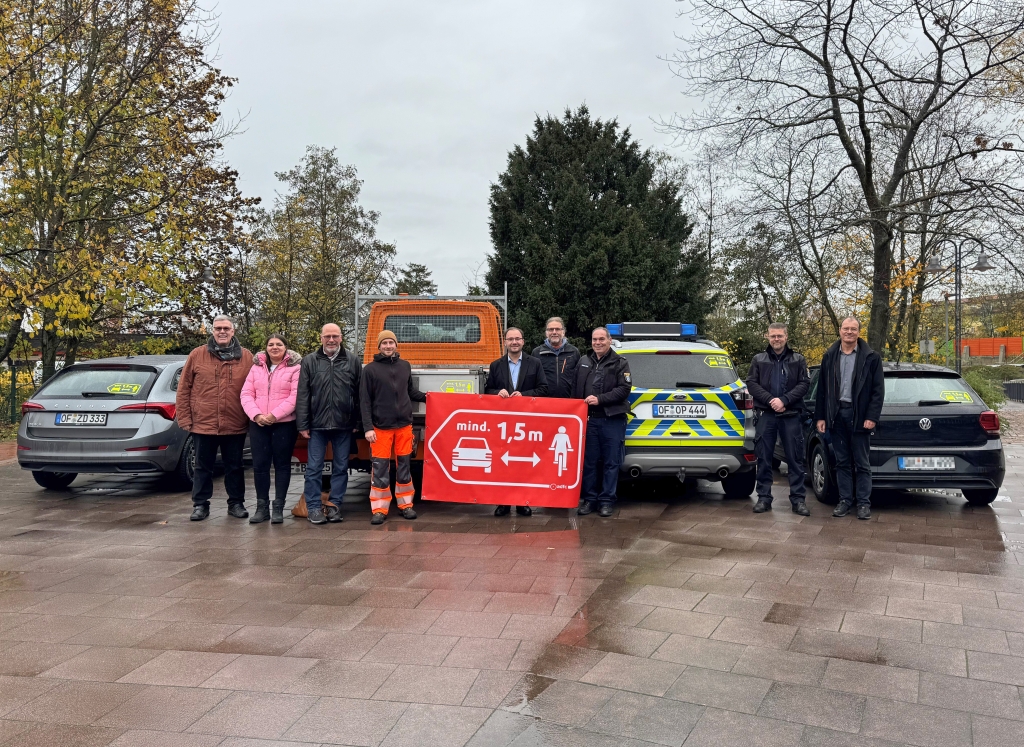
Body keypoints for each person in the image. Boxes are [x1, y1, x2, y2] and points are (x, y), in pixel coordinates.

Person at [176, 315, 254, 522]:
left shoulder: (246, 357)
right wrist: (184, 418)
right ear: (212, 330)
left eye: (226, 328)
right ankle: (200, 505)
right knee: (202, 467)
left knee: (235, 466)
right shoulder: (197, 355)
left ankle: (236, 503)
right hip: (204, 423)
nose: (222, 332)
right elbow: (184, 389)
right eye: (218, 328)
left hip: (235, 422)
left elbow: (256, 387)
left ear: (233, 331)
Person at [814, 316, 885, 520]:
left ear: (859, 332)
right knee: (842, 462)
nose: (849, 332)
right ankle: (845, 501)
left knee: (862, 463)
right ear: (840, 330)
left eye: (853, 329)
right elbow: (822, 390)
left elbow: (878, 391)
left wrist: (872, 416)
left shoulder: (871, 357)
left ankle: (863, 504)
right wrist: (821, 416)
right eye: (846, 328)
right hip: (836, 416)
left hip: (859, 417)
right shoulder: (829, 356)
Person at [295, 323, 362, 525]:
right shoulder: (309, 361)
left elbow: (359, 394)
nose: (331, 340)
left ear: (341, 338)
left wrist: (357, 421)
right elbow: (303, 394)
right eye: (327, 336)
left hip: (344, 424)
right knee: (314, 468)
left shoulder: (352, 360)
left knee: (341, 468)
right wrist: (302, 424)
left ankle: (334, 506)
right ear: (321, 338)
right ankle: (314, 508)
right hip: (317, 425)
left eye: (335, 336)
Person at [360, 330, 427, 525]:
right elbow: (364, 401)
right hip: (380, 428)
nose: (388, 346)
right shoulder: (370, 370)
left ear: (396, 345)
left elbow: (410, 391)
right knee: (380, 468)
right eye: (384, 343)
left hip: (404, 426)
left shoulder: (405, 366)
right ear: (379, 346)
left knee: (404, 466)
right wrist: (368, 428)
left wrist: (430, 398)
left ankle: (406, 505)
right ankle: (379, 509)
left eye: (391, 343)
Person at [746, 323, 811, 515]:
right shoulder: (759, 359)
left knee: (795, 459)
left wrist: (784, 400)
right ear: (767, 336)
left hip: (791, 415)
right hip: (766, 415)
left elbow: (804, 384)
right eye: (773, 336)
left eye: (780, 336)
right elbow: (751, 383)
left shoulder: (798, 359)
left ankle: (798, 500)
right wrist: (770, 400)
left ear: (786, 337)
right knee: (764, 458)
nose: (776, 339)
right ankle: (764, 498)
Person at [486, 326, 548, 517]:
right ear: (505, 342)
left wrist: (524, 395)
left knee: (523, 463)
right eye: (510, 339)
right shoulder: (496, 365)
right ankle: (503, 502)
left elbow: (543, 388)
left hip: (526, 423)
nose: (514, 342)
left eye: (517, 339)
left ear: (523, 341)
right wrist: (497, 392)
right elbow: (487, 390)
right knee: (502, 463)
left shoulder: (535, 363)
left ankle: (522, 502)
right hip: (503, 424)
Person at [240, 334, 301, 525]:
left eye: (279, 344)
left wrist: (274, 415)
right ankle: (262, 508)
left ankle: (278, 507)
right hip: (258, 424)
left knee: (282, 465)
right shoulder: (256, 367)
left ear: (286, 348)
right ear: (266, 347)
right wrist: (256, 415)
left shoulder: (295, 368)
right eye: (271, 344)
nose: (275, 347)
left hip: (284, 424)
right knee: (260, 466)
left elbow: (295, 396)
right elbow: (246, 393)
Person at [572, 326, 632, 517]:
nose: (597, 343)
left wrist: (600, 399)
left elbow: (624, 389)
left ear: (609, 340)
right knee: (589, 462)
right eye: (594, 339)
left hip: (612, 420)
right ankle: (589, 500)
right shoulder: (584, 361)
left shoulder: (620, 362)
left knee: (610, 462)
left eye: (601, 339)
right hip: (589, 421)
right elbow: (575, 389)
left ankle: (606, 501)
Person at [531, 317, 581, 398]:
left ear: (563, 332)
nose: (554, 332)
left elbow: (579, 379)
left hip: (568, 401)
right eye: (551, 329)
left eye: (557, 329)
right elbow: (532, 380)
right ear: (546, 333)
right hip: (544, 401)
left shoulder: (574, 352)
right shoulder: (537, 353)